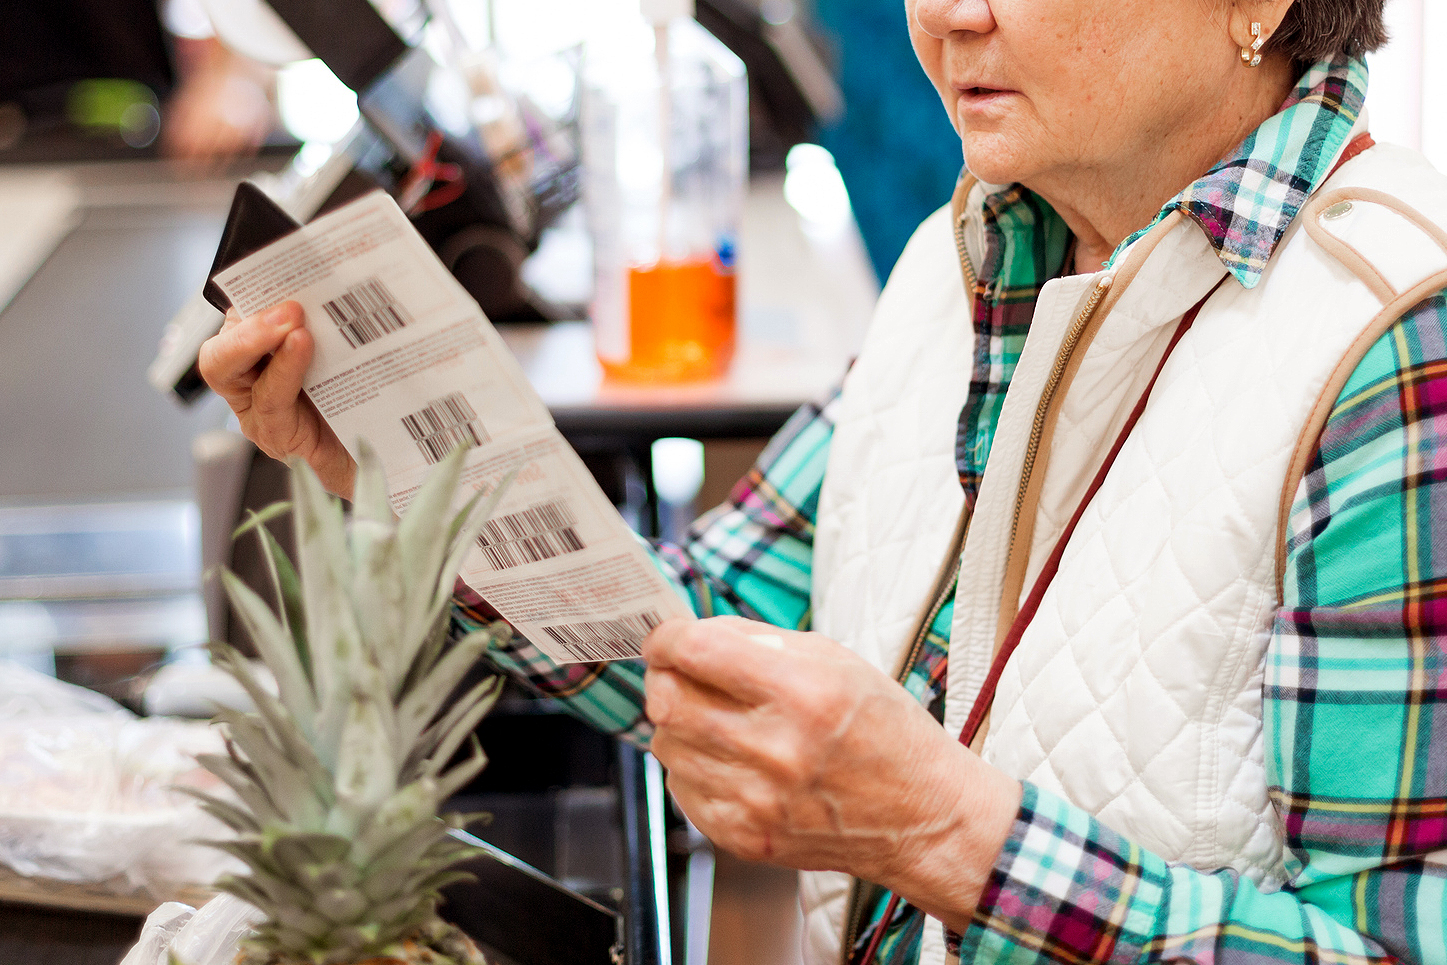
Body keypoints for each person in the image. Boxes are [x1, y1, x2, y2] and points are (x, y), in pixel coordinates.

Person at [198, 0, 1447, 962]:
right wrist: (395, 470)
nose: (949, 16)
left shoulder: (1396, 342)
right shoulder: (952, 260)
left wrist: (945, 835)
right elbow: (685, 641)